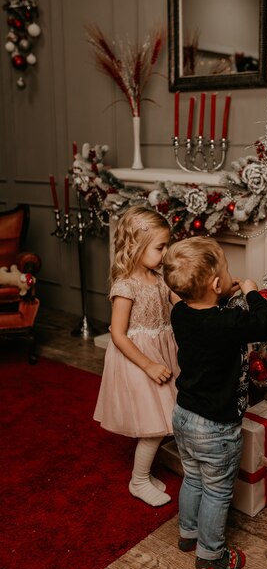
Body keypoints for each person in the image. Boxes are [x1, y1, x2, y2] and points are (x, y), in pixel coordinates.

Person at [163, 236, 267, 569]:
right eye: (227, 271)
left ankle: (188, 534)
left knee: (193, 479)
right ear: (216, 283)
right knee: (216, 490)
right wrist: (250, 291)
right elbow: (266, 325)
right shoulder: (228, 324)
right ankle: (211, 555)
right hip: (216, 426)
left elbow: (199, 303)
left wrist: (221, 291)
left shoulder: (180, 313)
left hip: (184, 415)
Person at [94, 206, 180, 507]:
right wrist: (147, 364)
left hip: (162, 352)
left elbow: (178, 301)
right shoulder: (125, 286)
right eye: (160, 247)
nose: (165, 252)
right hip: (138, 360)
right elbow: (117, 335)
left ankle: (144, 475)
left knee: (166, 417)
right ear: (136, 246)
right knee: (155, 425)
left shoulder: (158, 277)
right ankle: (139, 480)